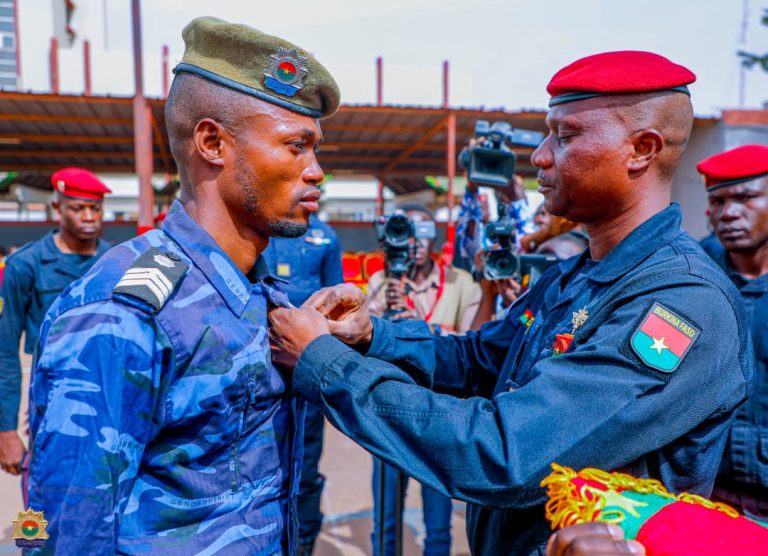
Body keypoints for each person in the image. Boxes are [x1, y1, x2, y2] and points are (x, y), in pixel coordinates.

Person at [269, 50, 754, 555]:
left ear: (641, 149)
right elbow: (480, 360)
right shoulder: (576, 275)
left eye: (565, 136)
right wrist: (373, 336)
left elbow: (507, 452)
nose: (541, 156)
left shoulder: (679, 303)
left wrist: (325, 365)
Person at [24, 17, 340, 554]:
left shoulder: (260, 292)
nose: (316, 171)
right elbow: (58, 529)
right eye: (295, 146)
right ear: (213, 142)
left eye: (314, 150)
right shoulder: (124, 309)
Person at [367, 202, 480, 556]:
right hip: (388, 415)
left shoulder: (461, 284)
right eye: (406, 232)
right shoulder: (379, 283)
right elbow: (363, 349)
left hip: (441, 417)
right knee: (386, 520)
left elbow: (472, 346)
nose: (415, 242)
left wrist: (417, 326)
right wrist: (380, 317)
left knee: (438, 525)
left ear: (435, 237)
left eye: (424, 232)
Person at [0, 168, 111, 476]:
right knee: (49, 501)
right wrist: (6, 430)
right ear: (57, 209)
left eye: (95, 209)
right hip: (52, 404)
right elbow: (5, 350)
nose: (89, 216)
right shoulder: (25, 265)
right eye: (78, 208)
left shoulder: (115, 262)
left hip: (113, 400)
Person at [262, 213, 343, 554]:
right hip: (266, 368)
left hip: (306, 366)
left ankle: (304, 540)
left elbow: (336, 300)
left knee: (306, 465)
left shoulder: (325, 237)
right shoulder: (263, 230)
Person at [697, 144, 768, 522]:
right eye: (718, 201)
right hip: (706, 499)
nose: (729, 213)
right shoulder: (687, 276)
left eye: (746, 198)